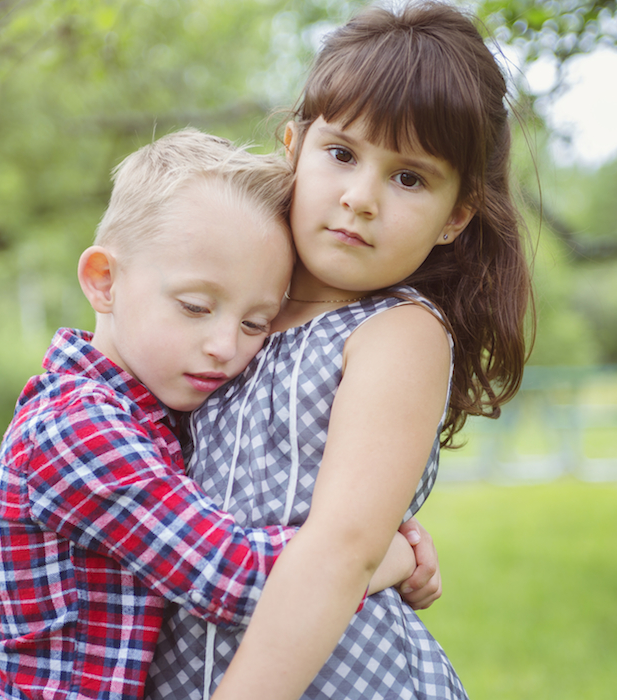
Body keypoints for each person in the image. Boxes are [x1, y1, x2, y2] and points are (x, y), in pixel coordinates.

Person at [148, 3, 533, 700]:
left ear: (456, 215)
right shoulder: (229, 306)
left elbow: (338, 551)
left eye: (409, 177)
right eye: (342, 153)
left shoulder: (398, 334)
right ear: (293, 146)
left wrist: (376, 553)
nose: (360, 198)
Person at [0, 129, 442, 700]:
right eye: (196, 307)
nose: (225, 345)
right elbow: (231, 575)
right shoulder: (76, 429)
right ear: (104, 281)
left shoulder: (162, 410)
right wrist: (383, 555)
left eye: (254, 323)